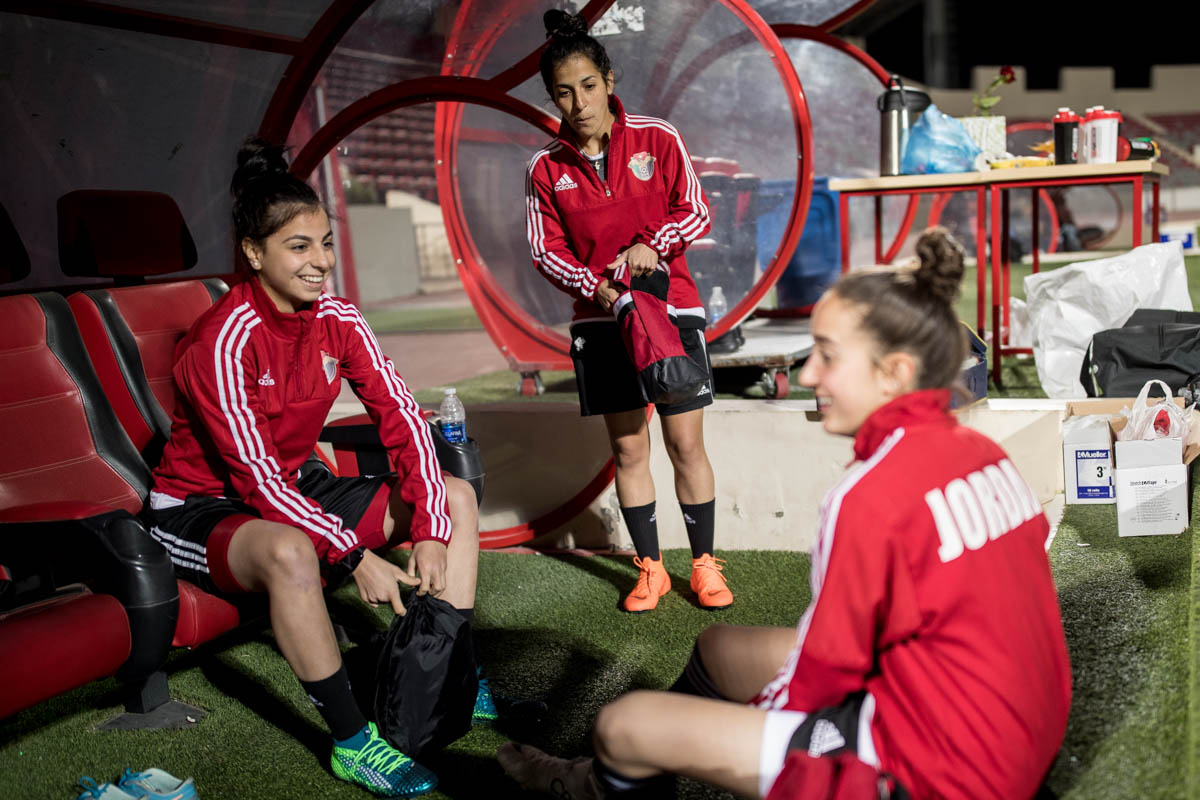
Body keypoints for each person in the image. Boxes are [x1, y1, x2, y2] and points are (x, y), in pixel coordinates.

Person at [498, 228, 1072, 799]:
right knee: (718, 649)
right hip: (1020, 730)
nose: (807, 376)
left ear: (894, 372)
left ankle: (592, 782)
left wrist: (740, 740)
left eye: (827, 356)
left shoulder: (869, 497)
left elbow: (818, 679)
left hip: (935, 772)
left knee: (623, 728)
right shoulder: (982, 453)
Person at [146, 138, 486, 798]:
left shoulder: (339, 319)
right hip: (201, 505)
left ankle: (448, 677)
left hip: (294, 482)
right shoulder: (222, 339)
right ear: (254, 252)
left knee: (455, 496)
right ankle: (354, 743)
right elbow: (254, 480)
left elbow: (405, 418)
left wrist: (431, 530)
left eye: (325, 243)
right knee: (295, 553)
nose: (321, 262)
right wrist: (353, 558)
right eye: (299, 247)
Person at [526, 9, 732, 613]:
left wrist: (655, 244)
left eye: (588, 85)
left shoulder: (659, 137)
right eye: (564, 91)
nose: (579, 101)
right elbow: (545, 251)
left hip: (672, 313)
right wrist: (603, 291)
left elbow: (696, 211)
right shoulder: (544, 168)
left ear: (609, 81)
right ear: (553, 97)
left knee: (686, 446)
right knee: (629, 451)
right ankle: (651, 570)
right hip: (600, 321)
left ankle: (703, 566)